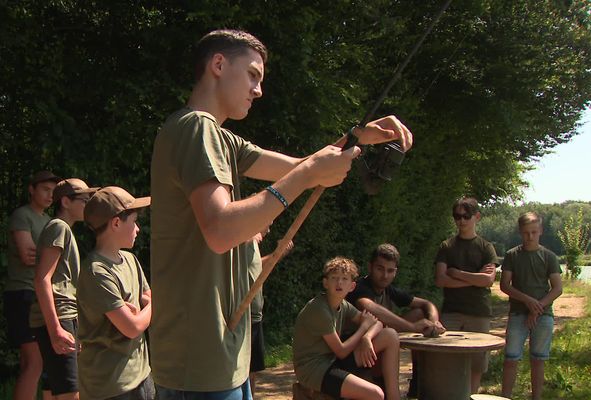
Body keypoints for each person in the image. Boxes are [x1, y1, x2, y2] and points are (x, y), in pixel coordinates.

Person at [150, 29, 413, 398]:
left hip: (222, 356)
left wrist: (356, 138)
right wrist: (307, 176)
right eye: (253, 75)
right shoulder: (195, 128)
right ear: (219, 65)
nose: (258, 90)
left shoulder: (222, 139)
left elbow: (299, 165)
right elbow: (221, 229)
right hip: (198, 362)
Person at [77, 186, 153, 400]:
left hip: (143, 376)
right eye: (134, 221)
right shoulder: (96, 271)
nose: (138, 229)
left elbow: (148, 298)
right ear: (116, 223)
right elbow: (131, 327)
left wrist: (140, 310)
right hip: (111, 387)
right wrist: (146, 311)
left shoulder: (130, 259)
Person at [293, 257, 401, 400]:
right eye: (334, 278)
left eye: (344, 279)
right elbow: (342, 351)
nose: (339, 283)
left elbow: (376, 322)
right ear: (325, 283)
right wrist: (363, 329)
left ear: (352, 286)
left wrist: (367, 338)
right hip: (315, 370)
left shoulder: (343, 305)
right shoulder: (319, 309)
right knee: (376, 394)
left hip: (332, 361)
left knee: (390, 335)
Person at [346, 243, 445, 397]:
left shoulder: (389, 290)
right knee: (390, 333)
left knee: (419, 313)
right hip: (356, 352)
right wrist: (411, 326)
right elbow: (369, 307)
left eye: (390, 271)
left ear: (395, 272)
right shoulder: (359, 287)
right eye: (380, 269)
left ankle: (418, 379)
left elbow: (427, 304)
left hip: (377, 346)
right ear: (370, 266)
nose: (385, 275)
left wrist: (433, 322)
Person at [30, 178, 97, 400]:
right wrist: (56, 329)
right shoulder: (59, 227)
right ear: (66, 202)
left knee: (54, 389)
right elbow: (42, 279)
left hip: (60, 317)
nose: (89, 204)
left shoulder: (62, 229)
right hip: (60, 317)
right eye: (84, 200)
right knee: (71, 393)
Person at [4, 170, 60, 400]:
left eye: (53, 191)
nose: (50, 195)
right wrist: (49, 255)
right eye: (45, 189)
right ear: (31, 189)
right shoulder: (22, 215)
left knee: (36, 362)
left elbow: (37, 255)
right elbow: (28, 257)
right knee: (34, 363)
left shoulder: (48, 221)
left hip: (38, 295)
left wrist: (43, 255)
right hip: (22, 293)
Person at [434, 197, 498, 393]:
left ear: (476, 217)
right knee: (446, 360)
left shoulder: (486, 247)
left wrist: (458, 274)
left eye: (466, 216)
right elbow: (440, 280)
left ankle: (471, 396)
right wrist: (474, 279)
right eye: (457, 216)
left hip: (478, 311)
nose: (461, 220)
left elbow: (488, 281)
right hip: (452, 311)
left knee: (477, 364)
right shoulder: (447, 246)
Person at [500, 212, 562, 400]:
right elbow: (505, 285)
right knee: (511, 358)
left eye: (534, 232)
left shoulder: (549, 257)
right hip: (518, 313)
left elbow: (557, 288)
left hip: (543, 315)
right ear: (520, 232)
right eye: (526, 232)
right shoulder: (512, 255)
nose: (530, 236)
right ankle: (505, 397)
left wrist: (538, 307)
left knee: (538, 358)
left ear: (540, 231)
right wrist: (527, 300)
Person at [247, 229, 293, 395]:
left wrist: (278, 254)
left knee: (251, 373)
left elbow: (257, 267)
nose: (269, 229)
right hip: (244, 318)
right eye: (267, 223)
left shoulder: (251, 244)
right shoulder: (243, 242)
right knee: (244, 373)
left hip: (254, 317)